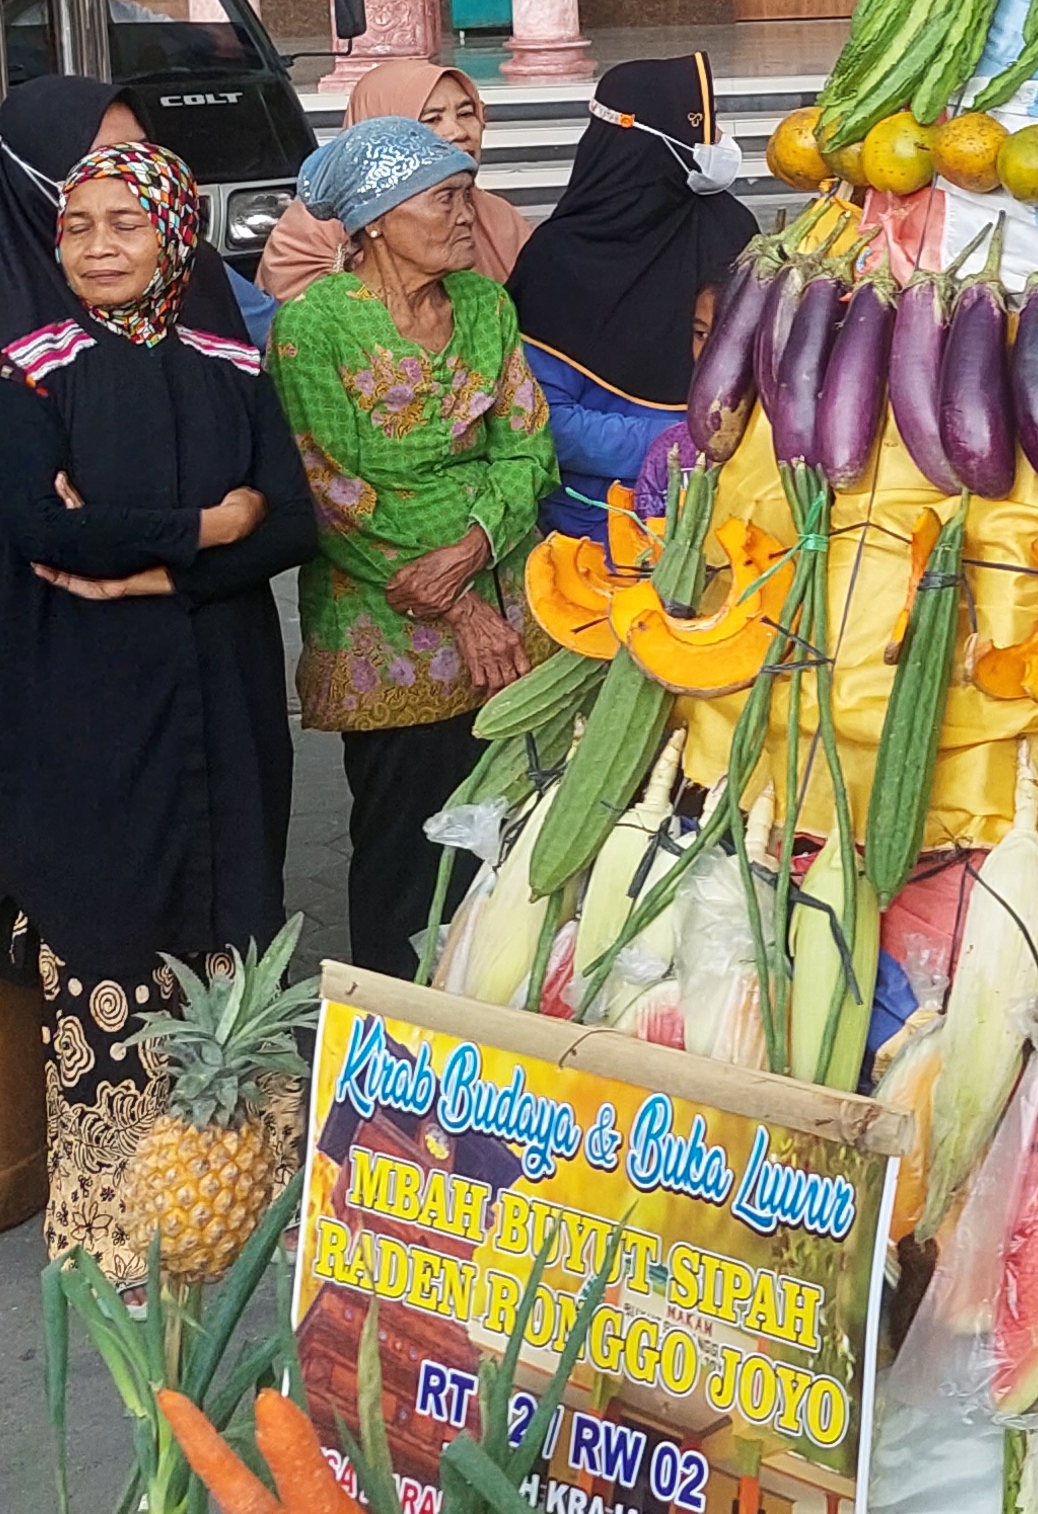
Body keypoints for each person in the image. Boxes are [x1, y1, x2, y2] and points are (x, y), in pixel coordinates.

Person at [0, 138, 317, 1280]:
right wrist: (206, 527)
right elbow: (43, 529)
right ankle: (118, 1232)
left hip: (219, 685)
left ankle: (237, 1210)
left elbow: (292, 528)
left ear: (175, 232)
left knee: (228, 901)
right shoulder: (26, 370)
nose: (99, 246)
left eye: (125, 224)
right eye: (79, 226)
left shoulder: (234, 362)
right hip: (88, 696)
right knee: (111, 915)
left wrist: (161, 565)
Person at [267, 116, 558, 968]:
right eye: (444, 198)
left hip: (509, 620)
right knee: (404, 854)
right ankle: (387, 1053)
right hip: (388, 638)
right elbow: (334, 489)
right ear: (378, 219)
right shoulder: (312, 326)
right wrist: (457, 605)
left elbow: (529, 446)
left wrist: (473, 546)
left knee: (503, 853)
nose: (467, 215)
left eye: (466, 194)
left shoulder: (483, 304)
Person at [0, 76, 254, 714]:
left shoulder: (180, 266)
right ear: (35, 180)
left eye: (139, 159)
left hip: (192, 609)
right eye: (93, 167)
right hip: (47, 631)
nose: (123, 180)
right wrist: (89, 489)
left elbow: (280, 354)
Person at [506, 56, 756, 543]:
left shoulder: (732, 229)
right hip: (601, 523)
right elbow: (545, 422)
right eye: (703, 126)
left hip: (725, 512)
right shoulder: (558, 259)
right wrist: (676, 442)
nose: (718, 140)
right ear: (653, 139)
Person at [257, 59, 530, 301]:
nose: (457, 132)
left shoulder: (500, 220)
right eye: (432, 119)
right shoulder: (310, 236)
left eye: (466, 114)